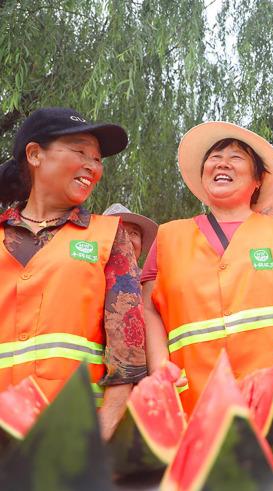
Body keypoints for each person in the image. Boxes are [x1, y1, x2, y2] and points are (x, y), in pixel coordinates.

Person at [142, 121, 273, 415]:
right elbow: (149, 307)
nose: (222, 164)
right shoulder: (168, 237)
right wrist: (158, 368)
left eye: (236, 157)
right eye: (214, 157)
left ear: (258, 179)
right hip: (194, 395)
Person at [0, 107, 146, 440]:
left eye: (97, 160)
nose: (93, 167)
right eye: (80, 152)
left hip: (75, 436)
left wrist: (105, 430)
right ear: (35, 154)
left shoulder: (109, 236)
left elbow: (128, 352)